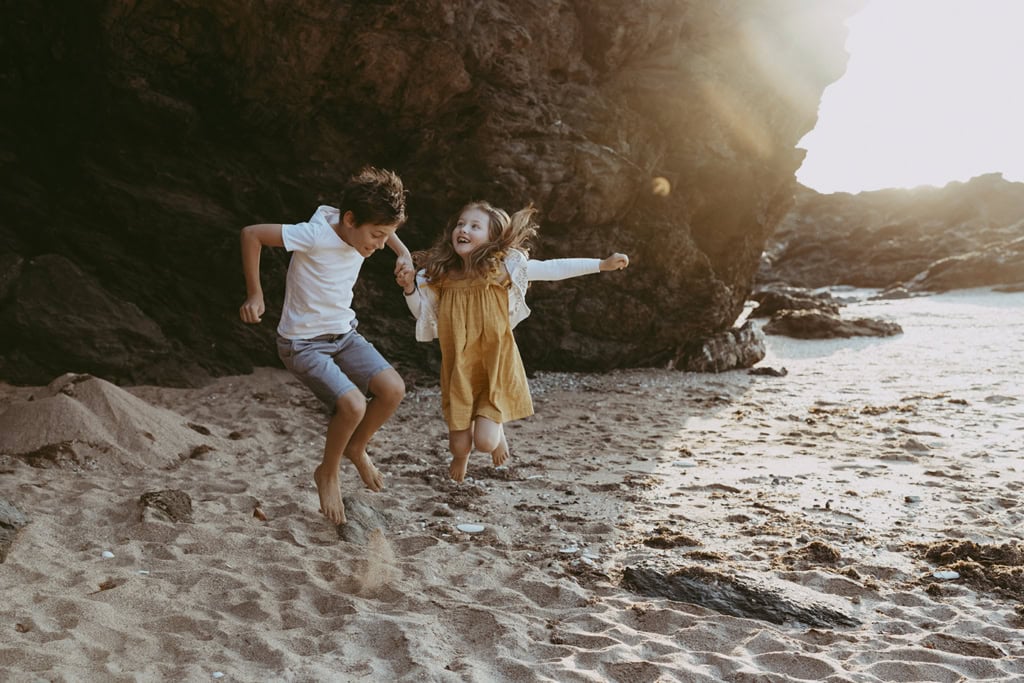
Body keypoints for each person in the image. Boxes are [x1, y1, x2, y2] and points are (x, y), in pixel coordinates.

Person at [396, 200, 629, 482]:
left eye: (474, 226)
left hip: (495, 362)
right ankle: (461, 457)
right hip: (459, 367)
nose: (463, 229)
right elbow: (423, 313)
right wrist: (409, 288)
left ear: (493, 238)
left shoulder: (504, 270)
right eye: (460, 223)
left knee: (485, 442)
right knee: (459, 444)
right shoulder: (441, 276)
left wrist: (601, 265)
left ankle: (497, 432)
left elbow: (552, 269)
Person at [239, 166, 413, 525]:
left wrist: (403, 251)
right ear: (350, 220)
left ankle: (355, 447)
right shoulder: (315, 234)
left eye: (386, 237)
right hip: (302, 345)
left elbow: (385, 232)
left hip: (343, 335)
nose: (379, 245)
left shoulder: (350, 222)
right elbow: (251, 234)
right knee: (351, 405)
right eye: (376, 235)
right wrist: (255, 294)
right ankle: (328, 474)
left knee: (393, 389)